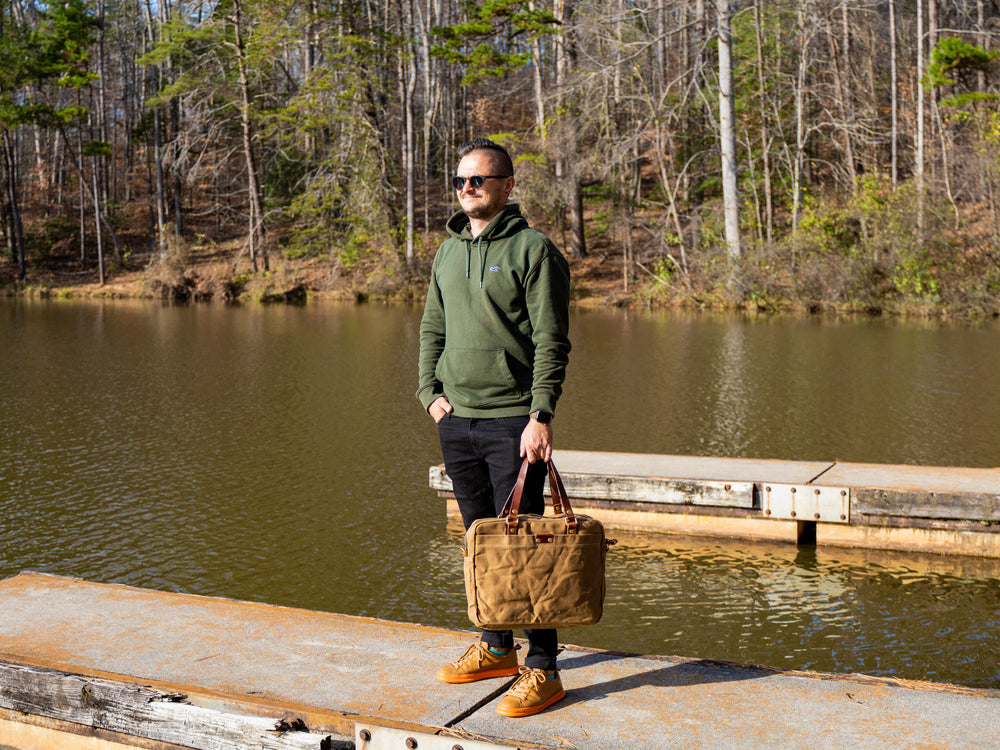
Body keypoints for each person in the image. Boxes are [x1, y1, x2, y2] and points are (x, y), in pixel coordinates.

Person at [416, 137, 572, 717]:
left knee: (524, 543)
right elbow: (432, 327)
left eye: (477, 180)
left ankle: (544, 668)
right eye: (460, 181)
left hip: (513, 421)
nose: (467, 189)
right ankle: (497, 646)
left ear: (506, 186)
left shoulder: (534, 250)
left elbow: (552, 340)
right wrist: (429, 393)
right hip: (457, 419)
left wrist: (540, 415)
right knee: (480, 539)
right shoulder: (446, 253)